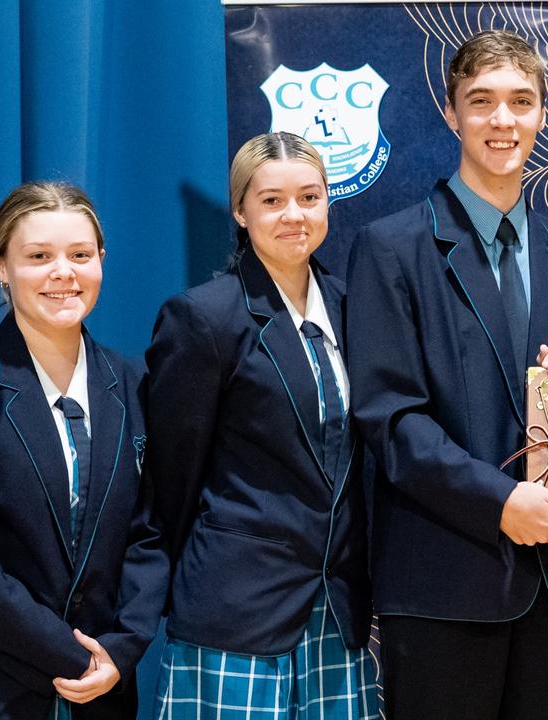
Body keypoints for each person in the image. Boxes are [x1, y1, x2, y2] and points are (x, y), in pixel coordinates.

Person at [346, 29, 548, 719]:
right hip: (443, 588)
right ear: (451, 114)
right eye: (480, 101)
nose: (502, 120)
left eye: (521, 101)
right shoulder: (390, 247)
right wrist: (499, 502)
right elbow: (389, 419)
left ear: (543, 114)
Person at [147, 132, 377, 719]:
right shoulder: (204, 318)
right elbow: (171, 478)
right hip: (237, 613)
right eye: (271, 200)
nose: (294, 215)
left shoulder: (357, 309)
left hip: (335, 611)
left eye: (309, 196)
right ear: (240, 212)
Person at [0, 182, 167, 719]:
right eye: (38, 256)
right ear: (0, 265)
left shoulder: (133, 383)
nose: (63, 272)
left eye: (80, 255)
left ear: (101, 261)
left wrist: (122, 649)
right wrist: (68, 654)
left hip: (107, 688)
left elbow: (151, 533)